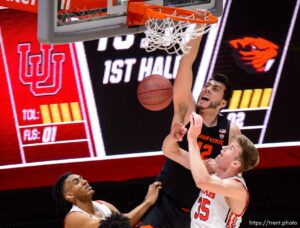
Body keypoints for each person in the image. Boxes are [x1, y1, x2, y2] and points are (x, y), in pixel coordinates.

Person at [141, 28, 240, 227]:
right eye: (207, 86)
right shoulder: (187, 112)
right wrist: (198, 28)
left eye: (215, 89)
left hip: (196, 214)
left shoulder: (231, 130)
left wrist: (212, 168)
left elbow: (230, 174)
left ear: (222, 103)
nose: (207, 89)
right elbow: (185, 64)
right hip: (165, 202)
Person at [163, 112, 259, 227]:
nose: (223, 147)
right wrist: (173, 137)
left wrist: (193, 139)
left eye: (230, 148)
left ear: (235, 163)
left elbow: (202, 181)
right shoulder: (211, 169)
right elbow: (170, 151)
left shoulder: (238, 189)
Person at [53, 172, 162, 228]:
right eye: (76, 182)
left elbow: (126, 221)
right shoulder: (74, 217)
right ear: (70, 195)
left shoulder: (102, 204)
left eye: (82, 178)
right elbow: (118, 226)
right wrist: (148, 201)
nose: (85, 181)